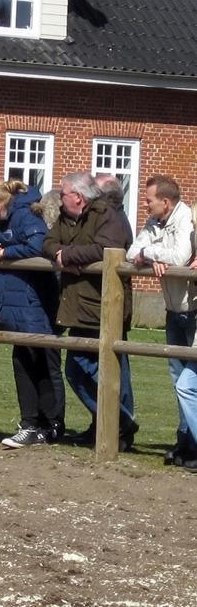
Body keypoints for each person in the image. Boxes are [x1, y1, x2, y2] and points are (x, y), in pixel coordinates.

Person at [44, 171, 137, 451]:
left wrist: (69, 256)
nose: (60, 200)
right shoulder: (66, 217)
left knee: (110, 370)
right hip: (77, 305)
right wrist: (61, 254)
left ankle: (119, 427)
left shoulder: (107, 216)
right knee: (75, 369)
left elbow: (107, 248)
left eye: (63, 194)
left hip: (104, 305)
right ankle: (113, 423)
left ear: (78, 197)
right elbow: (48, 242)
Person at [0, 179, 64, 448]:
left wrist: (4, 252)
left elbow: (39, 246)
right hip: (9, 303)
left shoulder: (26, 216)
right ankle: (30, 422)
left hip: (33, 302)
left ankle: (50, 424)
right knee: (22, 362)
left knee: (42, 363)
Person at [129, 175, 196, 466]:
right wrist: (149, 254)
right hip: (173, 311)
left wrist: (153, 253)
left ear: (165, 202)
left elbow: (180, 258)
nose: (145, 205)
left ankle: (192, 446)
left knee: (188, 383)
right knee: (178, 380)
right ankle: (185, 444)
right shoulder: (153, 223)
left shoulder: (185, 221)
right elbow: (133, 252)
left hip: (192, 311)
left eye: (149, 200)